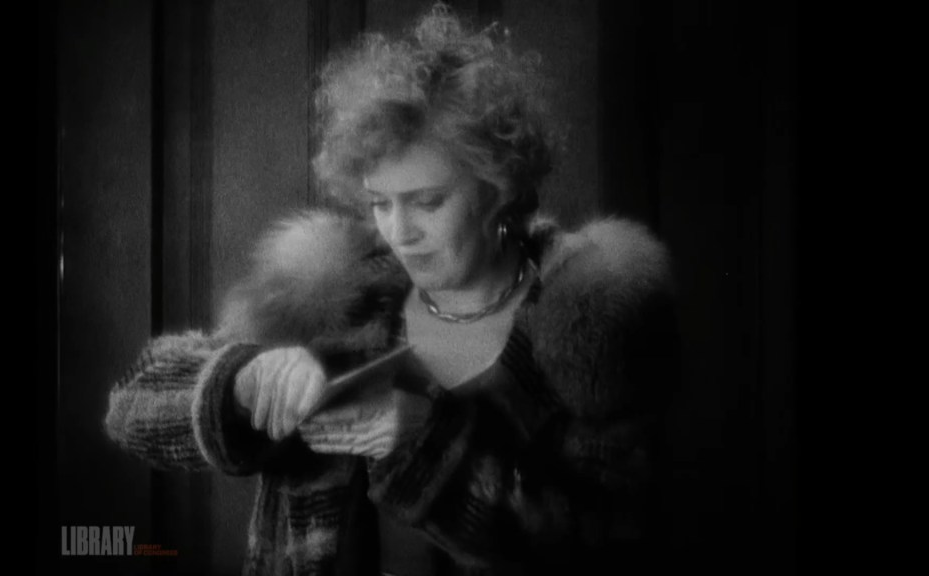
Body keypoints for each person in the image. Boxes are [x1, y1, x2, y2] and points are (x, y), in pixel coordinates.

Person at [105, 5, 679, 575]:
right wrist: (245, 381)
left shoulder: (588, 315)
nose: (399, 231)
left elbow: (609, 537)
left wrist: (425, 442)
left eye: (429, 201)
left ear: (498, 186)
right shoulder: (333, 293)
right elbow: (132, 407)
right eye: (380, 202)